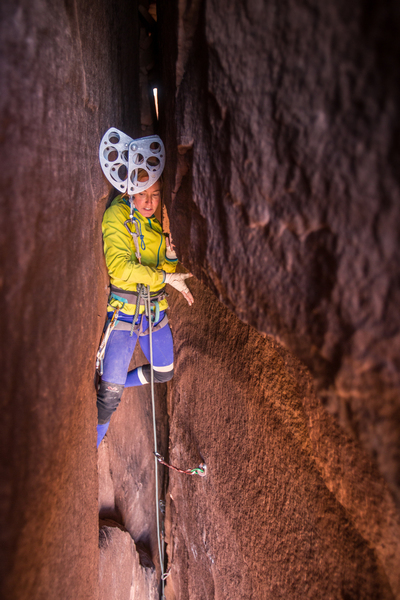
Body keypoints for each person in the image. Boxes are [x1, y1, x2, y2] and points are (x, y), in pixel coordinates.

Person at [96, 168, 193, 448]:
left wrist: (171, 257)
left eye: (154, 195)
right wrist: (164, 277)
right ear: (129, 192)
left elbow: (162, 268)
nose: (148, 202)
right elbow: (120, 270)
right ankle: (94, 445)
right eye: (141, 194)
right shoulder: (117, 217)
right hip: (125, 311)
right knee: (108, 401)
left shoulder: (156, 225)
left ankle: (112, 381)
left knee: (164, 371)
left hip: (154, 310)